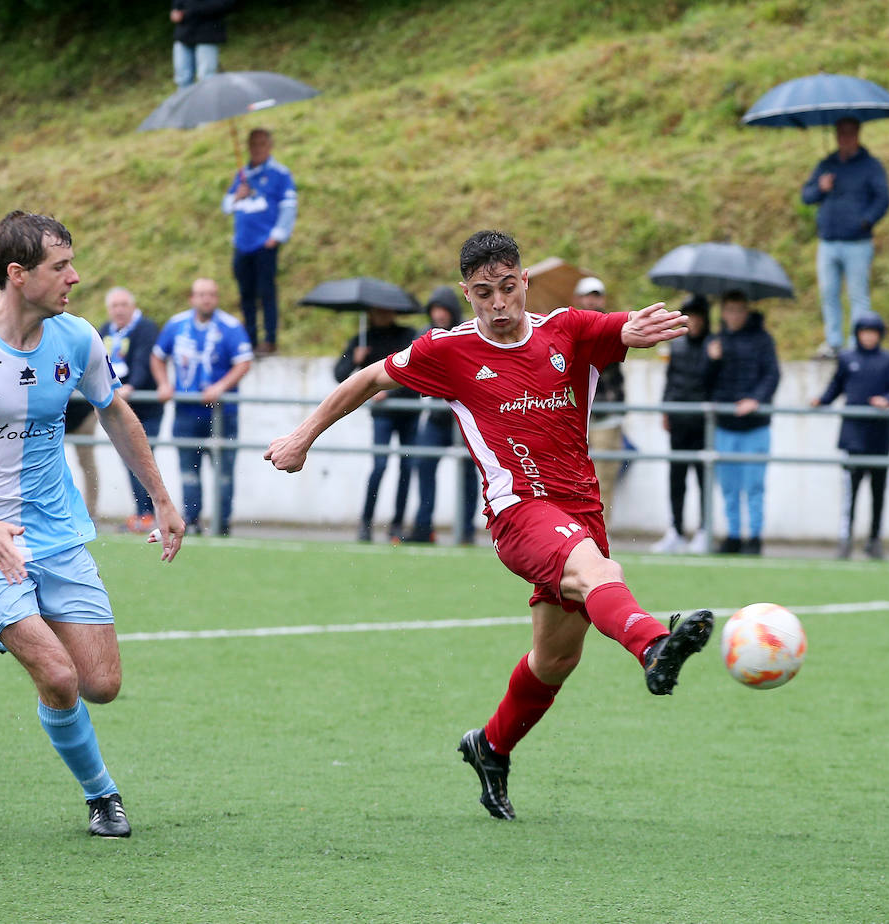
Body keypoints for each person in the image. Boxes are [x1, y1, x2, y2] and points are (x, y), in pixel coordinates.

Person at [267, 230, 713, 821]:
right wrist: (302, 436)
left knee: (555, 660)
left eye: (507, 288)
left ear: (525, 282)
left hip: (581, 512)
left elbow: (620, 327)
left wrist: (633, 329)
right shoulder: (447, 351)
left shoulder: (568, 329)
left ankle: (490, 746)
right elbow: (370, 377)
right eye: (483, 294)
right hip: (518, 513)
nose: (498, 304)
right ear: (466, 294)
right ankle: (654, 644)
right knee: (599, 570)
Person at [0, 211, 185, 838]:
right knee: (59, 678)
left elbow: (116, 413)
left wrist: (161, 499)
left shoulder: (77, 338)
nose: (75, 277)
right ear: (18, 275)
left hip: (56, 532)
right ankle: (102, 796)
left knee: (102, 684)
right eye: (60, 266)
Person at [152, 277, 252, 535]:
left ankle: (222, 523)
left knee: (224, 471)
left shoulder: (230, 326)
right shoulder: (177, 325)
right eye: (201, 294)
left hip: (222, 413)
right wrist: (164, 384)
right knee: (188, 469)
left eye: (211, 294)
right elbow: (157, 357)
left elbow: (244, 362)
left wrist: (221, 387)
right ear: (192, 298)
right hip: (186, 412)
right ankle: (192, 521)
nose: (206, 299)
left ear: (216, 298)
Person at [810, 313, 889, 560]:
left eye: (873, 332)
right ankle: (846, 539)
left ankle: (874, 539)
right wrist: (822, 400)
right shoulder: (847, 358)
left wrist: (887, 400)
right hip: (853, 438)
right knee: (850, 492)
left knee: (878, 493)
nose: (869, 336)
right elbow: (836, 386)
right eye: (865, 331)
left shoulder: (888, 360)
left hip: (879, 438)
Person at [800, 117, 889, 359]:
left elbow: (883, 199)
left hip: (858, 242)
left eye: (849, 133)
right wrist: (821, 188)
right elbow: (807, 196)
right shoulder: (826, 165)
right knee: (828, 293)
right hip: (828, 240)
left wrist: (865, 221)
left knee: (857, 294)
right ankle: (833, 342)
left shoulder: (871, 166)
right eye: (841, 133)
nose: (845, 138)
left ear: (858, 134)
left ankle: (857, 344)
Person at [334, 306, 419, 543]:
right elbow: (340, 375)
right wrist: (354, 359)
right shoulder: (363, 339)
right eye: (378, 312)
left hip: (408, 412)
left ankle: (397, 525)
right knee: (379, 466)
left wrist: (388, 396)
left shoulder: (407, 336)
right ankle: (366, 522)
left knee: (406, 468)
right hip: (382, 415)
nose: (383, 314)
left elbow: (416, 374)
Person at [706, 290, 780, 555]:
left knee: (754, 486)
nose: (734, 315)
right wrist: (712, 361)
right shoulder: (716, 341)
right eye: (729, 310)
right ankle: (734, 535)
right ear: (723, 313)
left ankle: (755, 538)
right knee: (728, 486)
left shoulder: (762, 340)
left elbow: (772, 375)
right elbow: (706, 382)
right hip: (725, 426)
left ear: (746, 312)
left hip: (755, 426)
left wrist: (755, 400)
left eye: (738, 310)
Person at [406, 285, 480, 545]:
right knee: (423, 465)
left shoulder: (468, 333)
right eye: (434, 310)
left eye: (442, 309)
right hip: (438, 417)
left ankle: (467, 530)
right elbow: (412, 370)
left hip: (465, 418)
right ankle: (423, 527)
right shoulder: (424, 335)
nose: (438, 315)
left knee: (470, 474)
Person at [222, 128, 297, 356]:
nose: (257, 148)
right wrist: (238, 195)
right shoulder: (242, 175)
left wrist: (277, 236)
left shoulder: (280, 174)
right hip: (242, 244)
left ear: (269, 146)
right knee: (246, 294)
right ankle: (251, 339)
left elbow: (289, 206)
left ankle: (270, 339)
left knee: (266, 292)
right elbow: (226, 206)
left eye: (262, 144)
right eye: (253, 144)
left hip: (264, 244)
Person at [651, 294, 711, 555]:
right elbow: (671, 380)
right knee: (677, 477)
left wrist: (715, 359)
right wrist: (666, 409)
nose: (694, 321)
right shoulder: (677, 346)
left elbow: (715, 382)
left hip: (703, 422)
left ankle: (704, 530)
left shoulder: (714, 346)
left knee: (703, 477)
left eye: (698, 316)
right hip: (679, 420)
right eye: (690, 316)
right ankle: (676, 529)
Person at [100, 287, 163, 533]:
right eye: (114, 306)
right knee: (129, 459)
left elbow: (143, 360)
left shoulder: (145, 328)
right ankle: (142, 512)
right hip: (120, 409)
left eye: (123, 304)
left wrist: (132, 385)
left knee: (145, 458)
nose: (119, 310)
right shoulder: (106, 331)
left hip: (146, 408)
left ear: (132, 306)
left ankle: (151, 512)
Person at [575, 276, 628, 519]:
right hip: (576, 419)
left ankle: (601, 536)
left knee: (604, 480)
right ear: (580, 299)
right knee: (575, 481)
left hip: (606, 415)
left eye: (596, 296)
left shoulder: (615, 327)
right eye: (588, 296)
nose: (592, 300)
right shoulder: (568, 329)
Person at [170, 1, 233, 89]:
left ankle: (207, 102)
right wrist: (175, 12)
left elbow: (226, 5)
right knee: (183, 79)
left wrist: (190, 11)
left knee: (207, 78)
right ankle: (187, 102)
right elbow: (177, 6)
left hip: (208, 35)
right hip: (184, 35)